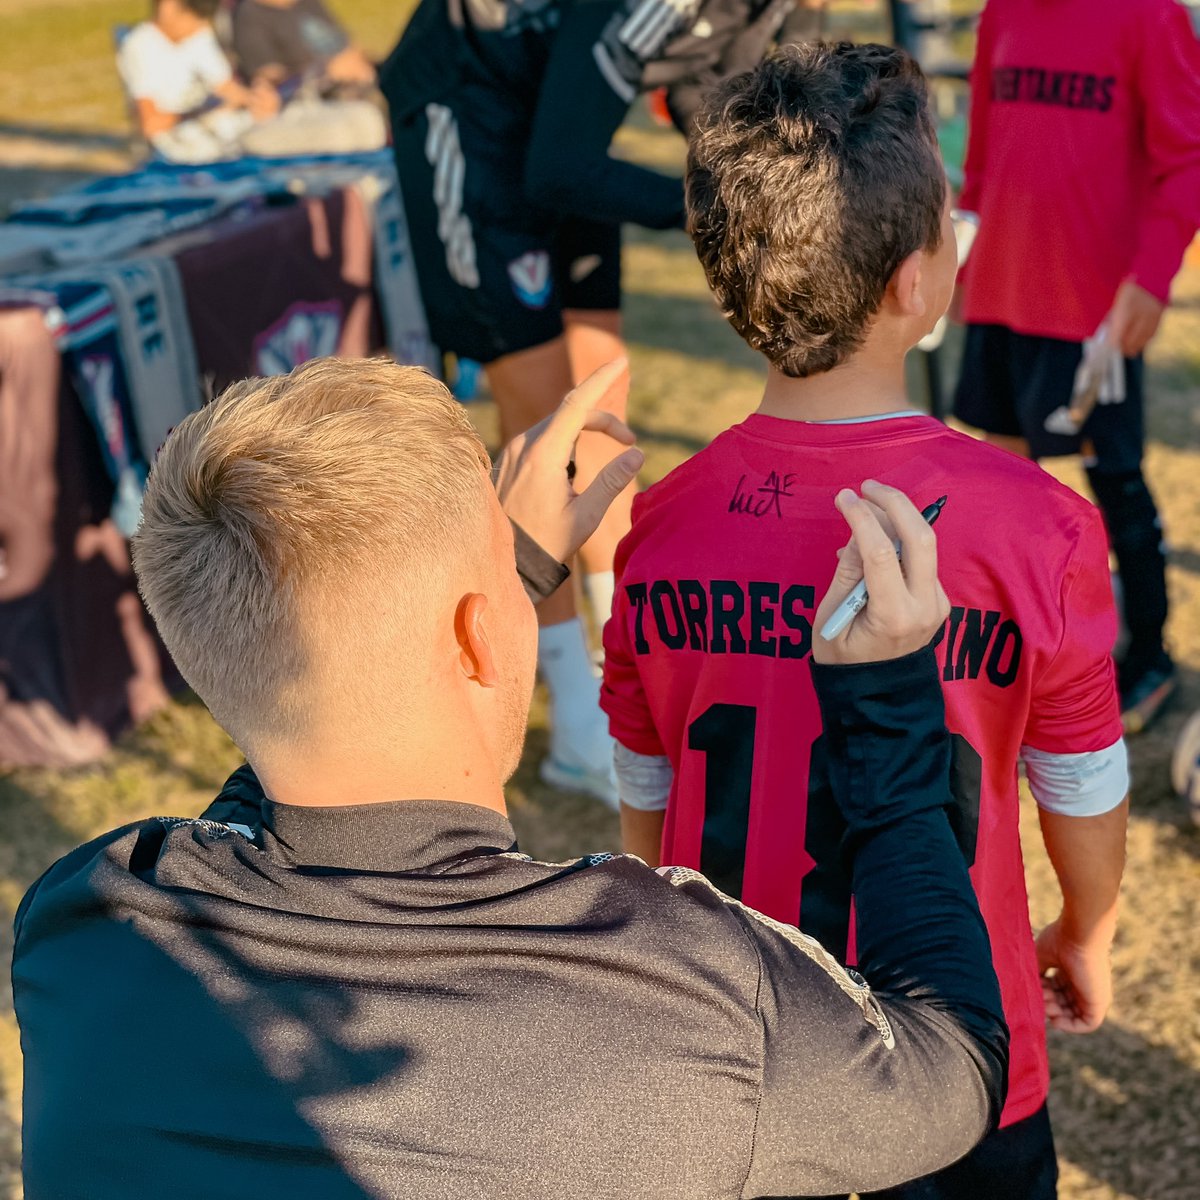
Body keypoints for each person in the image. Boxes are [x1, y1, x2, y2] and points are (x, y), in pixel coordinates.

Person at [14, 355, 1009, 1199]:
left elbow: (281, 735)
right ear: (482, 635)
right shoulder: (681, 988)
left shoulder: (82, 926)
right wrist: (884, 720)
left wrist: (500, 568)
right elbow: (952, 1068)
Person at [602, 43, 1128, 1200]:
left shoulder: (659, 529)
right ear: (916, 281)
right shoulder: (1038, 527)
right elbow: (1079, 787)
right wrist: (1085, 927)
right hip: (952, 1033)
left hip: (733, 1044)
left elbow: (645, 795)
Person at [378, 0, 800, 805]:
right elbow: (559, 166)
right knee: (546, 422)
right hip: (474, 110)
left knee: (602, 395)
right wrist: (721, 208)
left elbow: (710, 92)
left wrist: (770, 186)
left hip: (557, 112)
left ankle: (629, 676)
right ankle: (577, 721)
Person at [952, 0, 1200, 733]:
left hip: (1091, 307)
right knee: (996, 490)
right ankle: (1013, 651)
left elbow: (1186, 160)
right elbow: (982, 156)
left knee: (1113, 484)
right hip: (999, 290)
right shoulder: (1003, 12)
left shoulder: (1150, 17)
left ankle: (1148, 656)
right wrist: (961, 263)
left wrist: (1151, 279)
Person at [118, 0, 281, 163]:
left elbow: (226, 87)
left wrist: (257, 100)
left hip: (217, 125)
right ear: (168, 6)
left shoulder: (198, 34)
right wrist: (201, 112)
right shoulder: (139, 46)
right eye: (196, 16)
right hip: (180, 140)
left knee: (275, 128)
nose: (201, 24)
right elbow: (151, 124)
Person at [232, 0, 377, 94]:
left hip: (361, 80)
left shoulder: (307, 3)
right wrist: (327, 72)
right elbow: (268, 83)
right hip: (320, 99)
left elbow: (346, 44)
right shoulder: (250, 15)